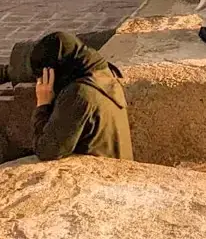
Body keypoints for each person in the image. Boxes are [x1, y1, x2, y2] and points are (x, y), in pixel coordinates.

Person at [0, 31, 132, 161]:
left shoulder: (80, 93)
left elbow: (46, 150)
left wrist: (43, 104)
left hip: (101, 175)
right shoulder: (102, 71)